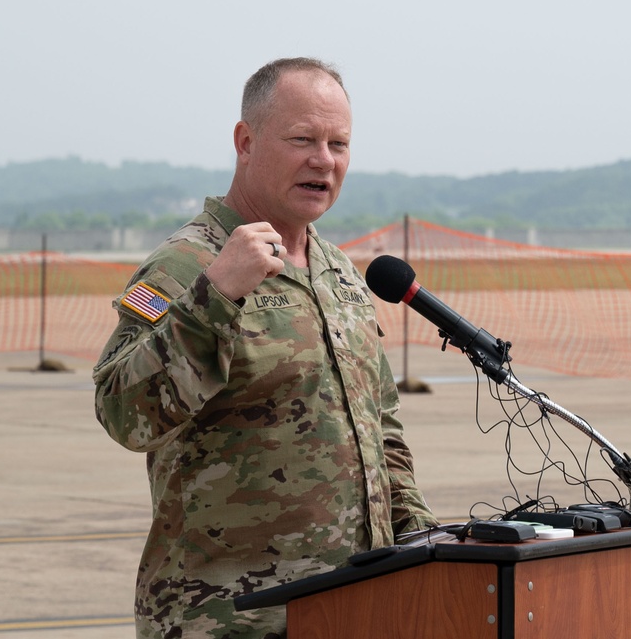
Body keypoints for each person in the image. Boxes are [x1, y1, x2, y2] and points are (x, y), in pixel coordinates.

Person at [93, 57, 437, 638]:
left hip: (352, 610)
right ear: (245, 142)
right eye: (302, 139)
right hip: (229, 620)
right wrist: (217, 295)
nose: (323, 160)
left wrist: (422, 541)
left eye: (339, 143)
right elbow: (124, 413)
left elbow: (381, 429)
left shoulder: (341, 274)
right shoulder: (186, 265)